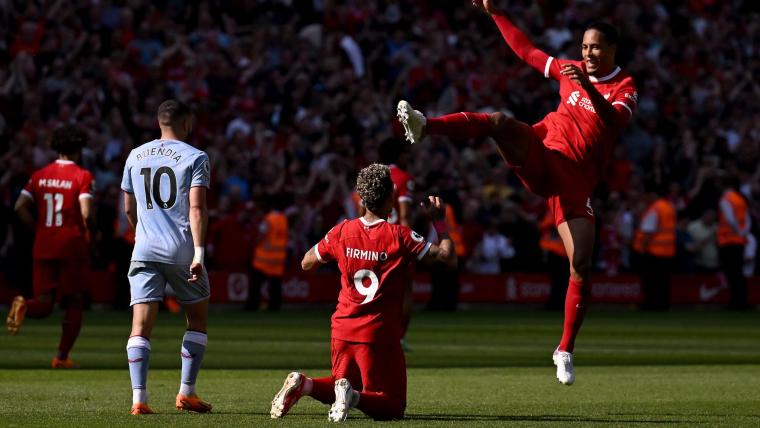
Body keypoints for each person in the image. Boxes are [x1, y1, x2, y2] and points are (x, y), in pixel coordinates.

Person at [397, 0, 637, 385]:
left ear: (612, 50)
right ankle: (426, 126)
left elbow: (614, 121)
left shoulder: (624, 87)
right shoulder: (567, 70)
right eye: (585, 46)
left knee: (581, 267)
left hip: (574, 181)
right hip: (542, 153)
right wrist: (496, 13)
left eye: (596, 47)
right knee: (498, 122)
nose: (588, 53)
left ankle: (564, 349)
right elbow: (526, 51)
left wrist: (588, 89)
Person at [269, 164, 456, 422]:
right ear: (390, 197)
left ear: (362, 199)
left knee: (340, 382)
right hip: (378, 333)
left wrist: (340, 250)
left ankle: (306, 384)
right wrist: (439, 222)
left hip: (343, 330)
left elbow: (306, 262)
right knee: (392, 406)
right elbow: (447, 259)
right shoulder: (400, 236)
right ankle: (353, 398)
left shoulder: (341, 231)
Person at [120, 99, 213, 415]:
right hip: (182, 251)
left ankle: (139, 400)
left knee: (140, 327)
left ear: (159, 122)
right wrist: (199, 253)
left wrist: (141, 234)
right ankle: (186, 392)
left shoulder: (135, 155)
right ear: (186, 123)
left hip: (144, 249)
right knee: (196, 322)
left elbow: (129, 209)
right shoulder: (196, 157)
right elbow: (197, 208)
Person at [6, 125, 95, 369]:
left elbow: (18, 207)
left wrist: (37, 228)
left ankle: (24, 303)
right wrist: (92, 233)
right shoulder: (82, 175)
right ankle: (62, 357)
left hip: (43, 244)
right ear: (79, 148)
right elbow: (86, 213)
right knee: (74, 301)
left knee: (44, 304)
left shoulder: (39, 175)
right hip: (72, 245)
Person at [377, 139, 416, 349]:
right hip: (394, 239)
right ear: (399, 155)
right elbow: (405, 216)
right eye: (406, 153)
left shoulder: (373, 175)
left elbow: (360, 211)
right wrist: (408, 244)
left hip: (372, 235)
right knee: (405, 291)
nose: (408, 157)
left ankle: (372, 333)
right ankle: (398, 337)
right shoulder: (404, 178)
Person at [633, 187, 676, 310]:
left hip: (654, 251)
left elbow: (648, 231)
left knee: (651, 281)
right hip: (668, 251)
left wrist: (642, 249)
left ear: (653, 195)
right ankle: (663, 304)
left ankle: (650, 304)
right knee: (664, 281)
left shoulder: (655, 208)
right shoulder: (669, 207)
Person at [246, 198, 289, 311]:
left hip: (263, 259)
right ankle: (275, 307)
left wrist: (254, 243)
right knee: (275, 286)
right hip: (278, 259)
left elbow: (261, 234)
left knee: (255, 284)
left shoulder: (268, 219)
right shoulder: (283, 219)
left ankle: (252, 306)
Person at [717, 182, 751, 309]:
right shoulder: (740, 199)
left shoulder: (725, 199)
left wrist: (737, 230)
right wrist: (743, 232)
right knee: (738, 272)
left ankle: (735, 302)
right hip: (740, 241)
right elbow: (747, 219)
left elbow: (730, 218)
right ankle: (742, 301)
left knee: (731, 273)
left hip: (728, 241)